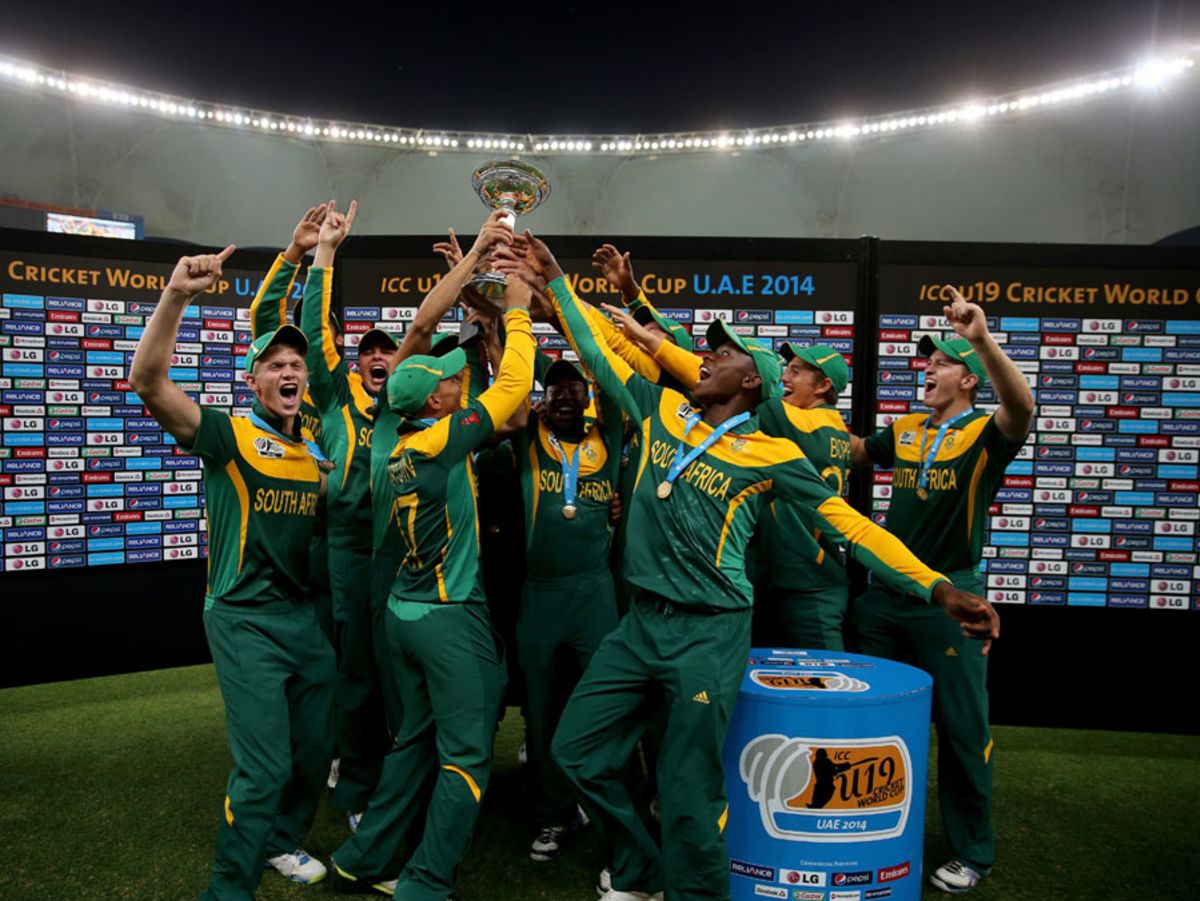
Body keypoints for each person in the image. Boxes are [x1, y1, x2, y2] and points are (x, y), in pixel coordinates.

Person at [493, 236, 999, 901]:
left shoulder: (769, 453)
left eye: (724, 354)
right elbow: (594, 349)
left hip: (709, 633)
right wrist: (557, 278)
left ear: (749, 381)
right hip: (640, 624)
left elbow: (850, 525)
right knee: (576, 751)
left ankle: (687, 888)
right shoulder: (661, 410)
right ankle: (641, 866)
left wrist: (935, 586)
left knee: (687, 790)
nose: (708, 356)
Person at [129, 245, 335, 898]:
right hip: (243, 618)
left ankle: (281, 839)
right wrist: (176, 295)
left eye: (296, 362)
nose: (288, 370)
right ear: (252, 380)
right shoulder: (228, 435)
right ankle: (227, 888)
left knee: (311, 751)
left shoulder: (316, 452)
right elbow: (149, 383)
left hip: (301, 619)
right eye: (274, 363)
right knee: (266, 766)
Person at [330, 214, 527, 900]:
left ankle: (364, 853)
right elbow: (513, 392)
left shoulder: (391, 429)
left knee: (414, 738)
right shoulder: (448, 438)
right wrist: (520, 313)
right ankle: (425, 878)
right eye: (449, 376)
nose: (456, 377)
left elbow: (423, 336)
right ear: (439, 398)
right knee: (468, 753)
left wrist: (474, 268)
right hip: (449, 613)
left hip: (402, 611)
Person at [848, 285, 1034, 894]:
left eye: (944, 361)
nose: (929, 365)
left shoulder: (987, 431)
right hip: (882, 599)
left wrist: (981, 339)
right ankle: (865, 826)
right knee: (869, 724)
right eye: (930, 359)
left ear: (971, 380)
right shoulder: (903, 429)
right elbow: (850, 451)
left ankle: (973, 851)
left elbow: (1024, 409)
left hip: (950, 602)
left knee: (960, 730)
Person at [298, 200, 399, 823]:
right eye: (370, 354)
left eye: (390, 354)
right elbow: (313, 335)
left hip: (407, 556)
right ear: (356, 367)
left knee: (401, 676)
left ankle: (403, 775)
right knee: (358, 675)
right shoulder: (336, 401)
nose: (380, 359)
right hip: (351, 554)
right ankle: (360, 787)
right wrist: (326, 253)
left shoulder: (408, 410)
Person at [514, 353, 623, 861]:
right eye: (553, 387)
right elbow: (509, 385)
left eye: (573, 387)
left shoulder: (610, 434)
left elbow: (610, 373)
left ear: (588, 395)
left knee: (606, 711)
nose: (563, 395)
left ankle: (611, 824)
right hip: (540, 594)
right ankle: (552, 815)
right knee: (540, 716)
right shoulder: (530, 435)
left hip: (594, 593)